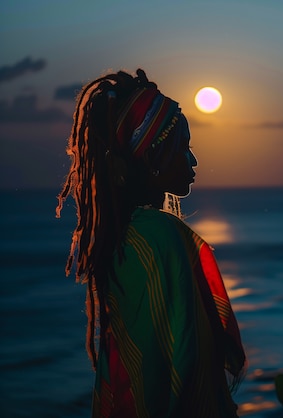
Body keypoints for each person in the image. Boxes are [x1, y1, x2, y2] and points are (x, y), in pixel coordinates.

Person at [56, 69, 246, 417]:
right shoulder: (160, 236)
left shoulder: (128, 235)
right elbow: (185, 360)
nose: (193, 160)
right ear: (152, 159)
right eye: (183, 148)